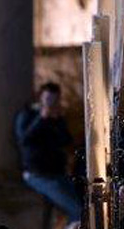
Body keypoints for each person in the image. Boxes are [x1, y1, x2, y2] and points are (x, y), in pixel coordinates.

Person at [15, 82, 81, 221]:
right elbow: (24, 140)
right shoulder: (28, 114)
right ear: (40, 98)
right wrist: (42, 118)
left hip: (58, 173)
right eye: (49, 99)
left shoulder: (56, 117)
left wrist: (57, 121)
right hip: (38, 175)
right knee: (76, 210)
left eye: (56, 99)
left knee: (83, 207)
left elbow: (66, 141)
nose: (52, 103)